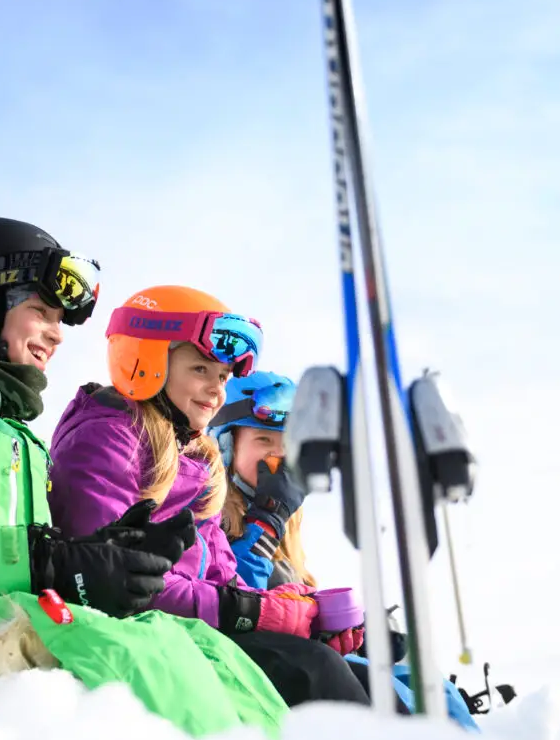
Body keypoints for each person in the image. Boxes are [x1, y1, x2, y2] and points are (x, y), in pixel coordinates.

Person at [0, 219, 287, 739]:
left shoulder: (16, 436)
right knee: (137, 655)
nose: (56, 333)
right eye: (40, 311)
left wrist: (105, 557)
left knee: (193, 647)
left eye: (60, 318)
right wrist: (45, 560)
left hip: (6, 621)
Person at [48, 284, 371, 709]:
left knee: (361, 673)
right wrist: (255, 612)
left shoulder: (194, 456)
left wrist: (297, 610)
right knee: (315, 672)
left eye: (222, 376)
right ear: (146, 360)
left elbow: (223, 578)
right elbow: (116, 575)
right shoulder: (107, 440)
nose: (216, 390)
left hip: (193, 627)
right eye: (200, 369)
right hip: (140, 632)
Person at [209, 370, 480, 728]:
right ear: (225, 448)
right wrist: (268, 521)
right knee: (396, 702)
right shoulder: (213, 514)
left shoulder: (284, 521)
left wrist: (348, 629)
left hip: (296, 648)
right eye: (263, 440)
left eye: (288, 445)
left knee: (435, 688)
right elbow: (227, 595)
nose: (278, 456)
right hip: (253, 660)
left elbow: (290, 603)